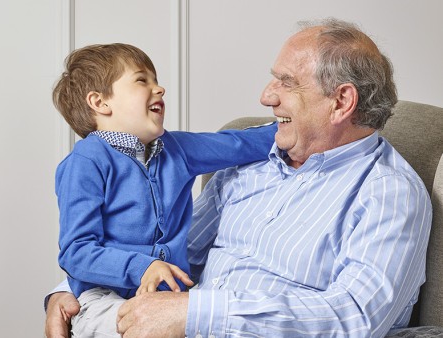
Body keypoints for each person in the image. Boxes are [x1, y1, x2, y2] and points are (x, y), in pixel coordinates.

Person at [46, 18, 432, 338]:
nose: (266, 96)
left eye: (286, 82)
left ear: (342, 102)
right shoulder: (251, 167)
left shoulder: (388, 192)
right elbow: (176, 251)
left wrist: (194, 314)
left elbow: (356, 318)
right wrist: (68, 295)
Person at [49, 43, 276, 337]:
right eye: (142, 80)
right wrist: (143, 267)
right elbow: (76, 252)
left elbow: (238, 144)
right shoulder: (85, 163)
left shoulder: (178, 149)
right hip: (103, 299)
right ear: (100, 102)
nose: (160, 89)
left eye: (156, 80)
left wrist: (291, 125)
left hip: (171, 298)